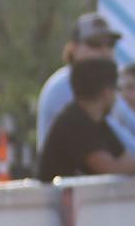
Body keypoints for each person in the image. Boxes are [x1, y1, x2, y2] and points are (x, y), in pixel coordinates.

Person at [37, 56, 135, 182]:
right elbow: (110, 167)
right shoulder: (74, 121)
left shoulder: (98, 121)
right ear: (106, 92)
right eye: (117, 89)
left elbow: (128, 161)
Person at [35, 10, 123, 146]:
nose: (104, 51)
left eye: (110, 44)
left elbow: (133, 129)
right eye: (95, 44)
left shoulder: (105, 87)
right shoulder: (63, 86)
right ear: (74, 49)